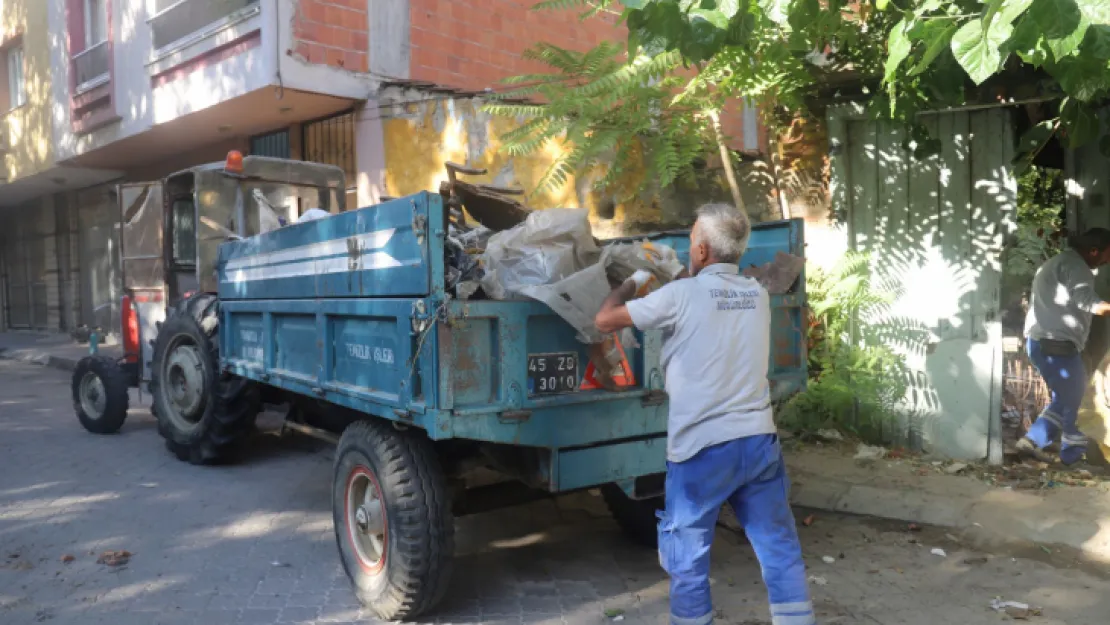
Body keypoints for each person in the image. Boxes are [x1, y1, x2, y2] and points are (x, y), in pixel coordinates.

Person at [594, 203, 813, 625]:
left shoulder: (678, 296)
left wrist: (634, 281)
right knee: (779, 550)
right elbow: (708, 299)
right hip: (758, 443)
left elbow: (605, 320)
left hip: (701, 451)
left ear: (699, 252)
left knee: (688, 561)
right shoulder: (755, 294)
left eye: (694, 239)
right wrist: (678, 273)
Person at [1020, 228, 1110, 466]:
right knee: (1079, 399)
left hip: (1041, 341)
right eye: (1106, 255)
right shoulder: (1077, 267)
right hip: (1055, 343)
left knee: (1067, 396)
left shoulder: (1059, 262)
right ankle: (1073, 456)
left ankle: (1031, 440)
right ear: (1093, 251)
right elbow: (1086, 301)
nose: (1107, 260)